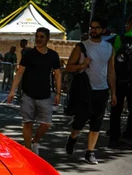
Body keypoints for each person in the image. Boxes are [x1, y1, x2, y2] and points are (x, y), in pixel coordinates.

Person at [64, 17, 117, 164]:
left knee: (96, 123)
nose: (93, 30)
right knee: (79, 122)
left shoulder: (109, 48)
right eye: (91, 28)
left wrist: (113, 92)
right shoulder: (81, 47)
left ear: (104, 30)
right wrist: (82, 65)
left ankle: (90, 152)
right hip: (84, 91)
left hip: (102, 90)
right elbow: (68, 67)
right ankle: (73, 137)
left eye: (97, 28)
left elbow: (111, 71)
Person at [7, 27, 62, 155]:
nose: (39, 39)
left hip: (45, 95)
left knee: (46, 124)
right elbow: (20, 72)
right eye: (37, 36)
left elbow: (58, 74)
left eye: (42, 37)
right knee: (28, 123)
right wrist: (12, 91)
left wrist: (58, 93)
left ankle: (35, 141)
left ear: (47, 39)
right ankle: (28, 150)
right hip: (28, 94)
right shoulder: (28, 54)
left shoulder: (53, 55)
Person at [107, 15, 132, 148]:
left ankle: (114, 137)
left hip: (120, 80)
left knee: (116, 108)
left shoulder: (119, 38)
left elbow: (112, 60)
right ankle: (128, 137)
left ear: (129, 24)